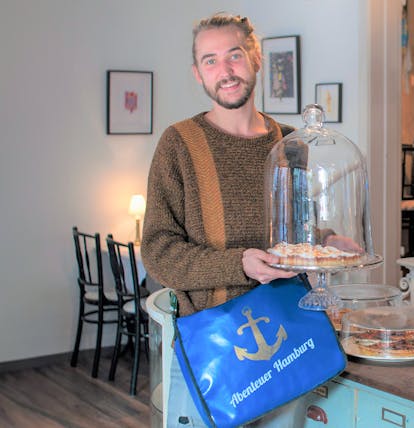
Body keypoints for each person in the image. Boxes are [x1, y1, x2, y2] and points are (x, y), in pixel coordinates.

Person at [141, 13, 328, 427]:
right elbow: (157, 252)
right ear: (197, 74)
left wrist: (330, 242)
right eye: (210, 61)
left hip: (290, 340)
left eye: (234, 55)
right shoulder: (179, 145)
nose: (224, 71)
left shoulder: (290, 144)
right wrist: (239, 263)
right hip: (210, 349)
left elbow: (298, 232)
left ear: (256, 58)